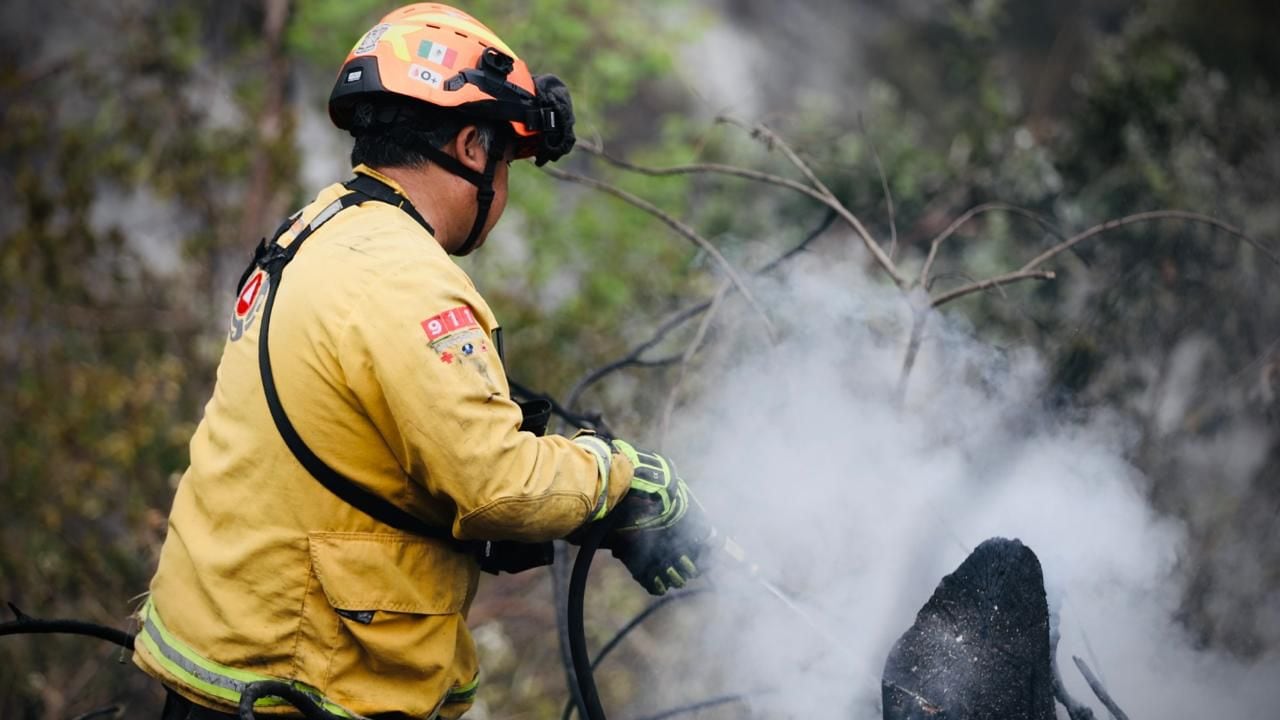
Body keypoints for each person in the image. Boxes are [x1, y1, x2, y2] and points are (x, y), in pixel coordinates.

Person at [132, 4, 713, 718]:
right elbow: (495, 484)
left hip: (224, 660)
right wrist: (622, 480)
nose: (501, 194)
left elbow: (356, 459)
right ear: (472, 148)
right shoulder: (404, 279)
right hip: (299, 682)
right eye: (506, 162)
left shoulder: (319, 226)